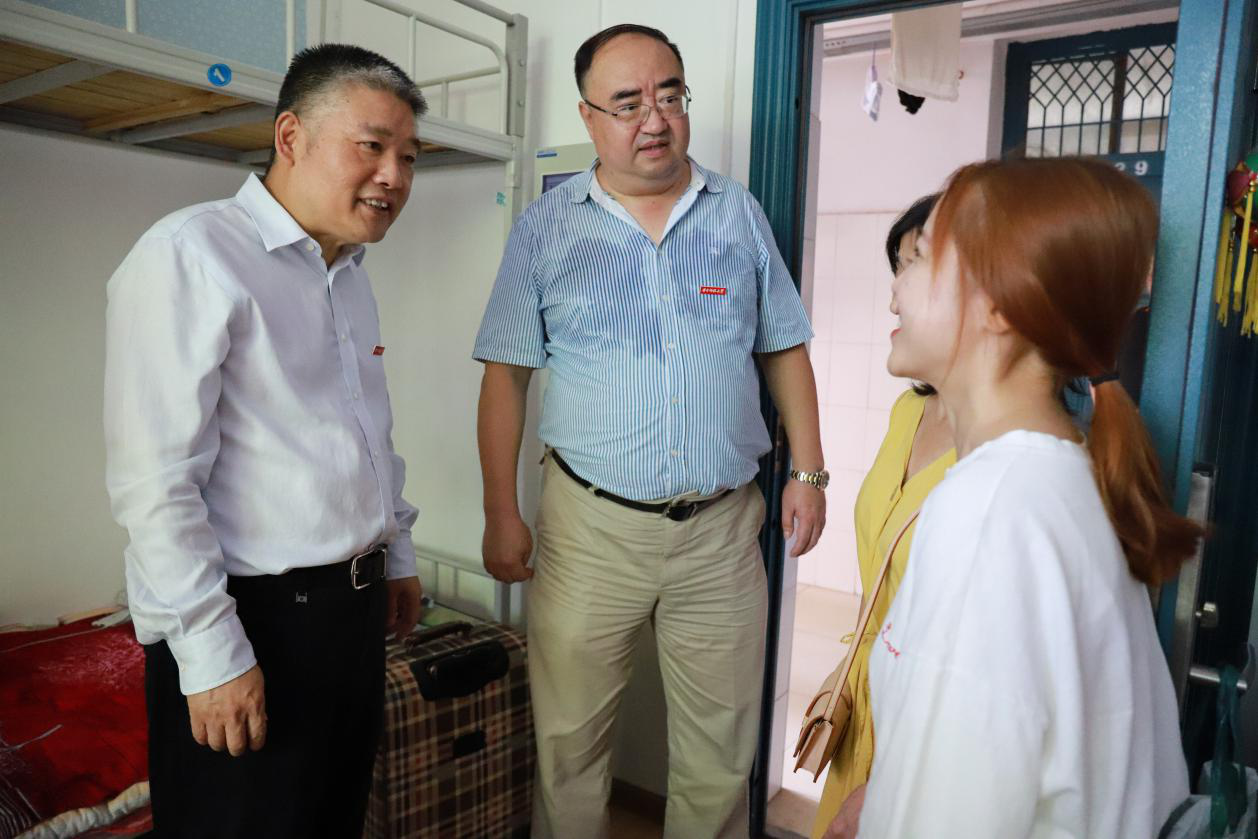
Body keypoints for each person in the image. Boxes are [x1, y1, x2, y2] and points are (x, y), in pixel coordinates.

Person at [473, 23, 825, 839]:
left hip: (722, 532)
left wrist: (809, 471)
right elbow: (505, 377)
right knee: (569, 747)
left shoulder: (737, 213)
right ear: (590, 117)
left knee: (720, 757)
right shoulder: (546, 227)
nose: (654, 119)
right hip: (590, 529)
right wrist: (500, 510)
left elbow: (783, 346)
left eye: (669, 95)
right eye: (628, 103)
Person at [104, 44, 426, 837]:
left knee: (331, 821)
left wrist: (396, 554)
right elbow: (156, 482)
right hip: (255, 619)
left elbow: (367, 435)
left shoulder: (348, 272)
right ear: (290, 137)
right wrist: (212, 653)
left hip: (350, 618)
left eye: (410, 156)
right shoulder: (191, 254)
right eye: (372, 145)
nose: (393, 175)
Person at [851, 158, 1199, 838]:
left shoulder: (989, 515)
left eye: (920, 259)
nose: (895, 291)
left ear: (998, 305)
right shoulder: (1052, 480)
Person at [811, 194, 956, 839]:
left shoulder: (1007, 467)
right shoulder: (908, 412)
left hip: (925, 756)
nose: (893, 300)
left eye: (913, 268)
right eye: (895, 270)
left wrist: (889, 785)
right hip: (869, 713)